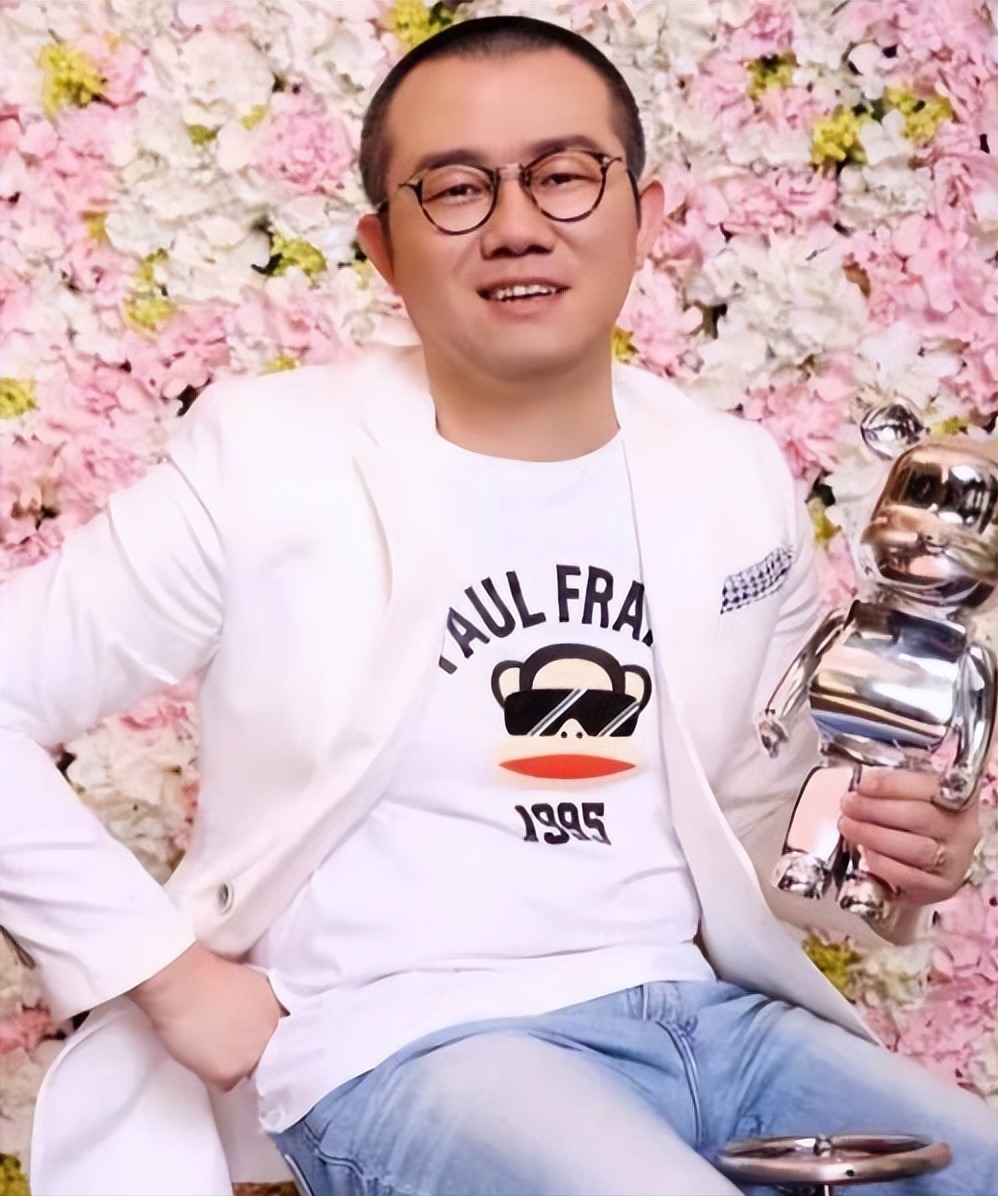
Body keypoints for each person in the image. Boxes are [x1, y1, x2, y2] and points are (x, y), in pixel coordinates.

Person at [1, 15, 995, 1196]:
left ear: (644, 215)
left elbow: (751, 816)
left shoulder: (729, 475)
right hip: (405, 1039)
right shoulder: (265, 460)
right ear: (381, 249)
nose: (517, 223)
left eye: (563, 174)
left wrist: (891, 853)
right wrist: (162, 974)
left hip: (704, 1013)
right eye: (456, 188)